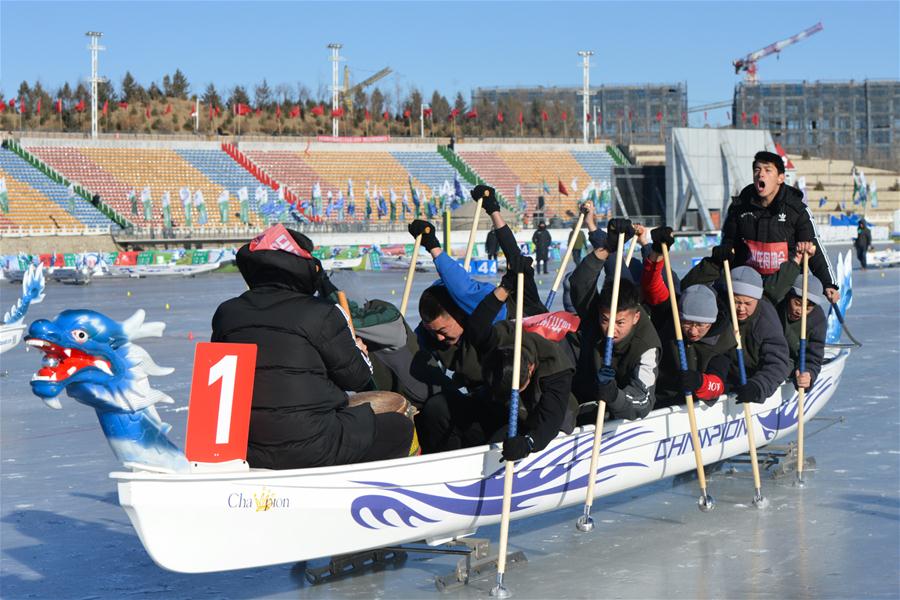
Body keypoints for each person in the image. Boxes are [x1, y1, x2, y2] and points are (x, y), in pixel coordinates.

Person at [211, 224, 413, 469]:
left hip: (247, 446)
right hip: (313, 445)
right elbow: (356, 378)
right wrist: (359, 352)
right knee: (399, 427)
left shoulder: (227, 313)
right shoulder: (321, 313)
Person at [420, 258, 577, 458]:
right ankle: (445, 461)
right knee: (439, 408)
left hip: (533, 419)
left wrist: (529, 443)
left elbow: (550, 421)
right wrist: (504, 288)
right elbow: (477, 324)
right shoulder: (498, 339)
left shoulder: (555, 367)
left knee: (500, 442)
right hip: (497, 406)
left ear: (530, 369)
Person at [719, 150, 839, 303]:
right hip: (748, 290)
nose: (761, 174)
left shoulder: (796, 210)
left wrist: (828, 283)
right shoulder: (739, 207)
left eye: (767, 170)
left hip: (786, 290)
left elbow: (813, 247)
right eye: (757, 170)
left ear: (780, 178)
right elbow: (728, 243)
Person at [640, 227, 736, 408]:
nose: (692, 331)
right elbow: (652, 286)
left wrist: (700, 382)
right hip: (658, 398)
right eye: (687, 323)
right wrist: (657, 253)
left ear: (711, 322)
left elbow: (717, 384)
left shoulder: (723, 338)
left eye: (700, 325)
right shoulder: (672, 314)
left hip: (694, 404)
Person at [682, 257, 792, 404]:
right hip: (717, 376)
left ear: (757, 300)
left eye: (747, 303)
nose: (741, 308)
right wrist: (712, 263)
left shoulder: (766, 318)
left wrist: (758, 386)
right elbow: (690, 288)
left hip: (751, 378)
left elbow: (778, 362)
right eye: (736, 301)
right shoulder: (717, 305)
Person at [762, 245, 827, 391]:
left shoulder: (818, 319)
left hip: (790, 362)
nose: (800, 311)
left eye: (807, 308)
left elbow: (814, 356)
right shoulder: (777, 304)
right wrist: (796, 260)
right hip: (765, 354)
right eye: (797, 303)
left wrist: (808, 374)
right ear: (789, 296)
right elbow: (771, 292)